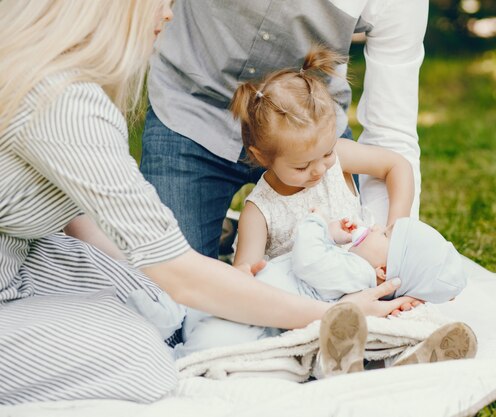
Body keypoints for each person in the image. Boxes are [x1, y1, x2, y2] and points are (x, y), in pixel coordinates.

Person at [0, 0, 413, 405]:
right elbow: (181, 274)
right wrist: (327, 317)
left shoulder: (62, 80)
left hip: (19, 258)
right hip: (14, 272)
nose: (170, 11)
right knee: (147, 359)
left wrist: (158, 269)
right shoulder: (68, 106)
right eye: (158, 1)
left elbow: (83, 218)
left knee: (162, 306)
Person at [141, 0, 427, 259]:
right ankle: (230, 228)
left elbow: (391, 134)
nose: (318, 170)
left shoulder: (327, 155)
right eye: (306, 168)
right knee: (168, 292)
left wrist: (393, 247)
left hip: (310, 130)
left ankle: (237, 229)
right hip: (191, 110)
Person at [180, 212, 477, 377]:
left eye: (384, 234)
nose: (373, 227)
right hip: (260, 314)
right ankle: (389, 374)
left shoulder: (358, 270)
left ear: (384, 270)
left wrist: (319, 225)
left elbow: (308, 261)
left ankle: (357, 373)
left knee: (216, 341)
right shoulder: (359, 278)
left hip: (253, 323)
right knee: (360, 342)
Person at [230, 46, 415, 268]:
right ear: (261, 157)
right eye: (302, 166)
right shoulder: (259, 212)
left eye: (326, 153)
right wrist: (251, 273)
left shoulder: (340, 157)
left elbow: (397, 165)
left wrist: (397, 225)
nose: (319, 170)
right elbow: (244, 273)